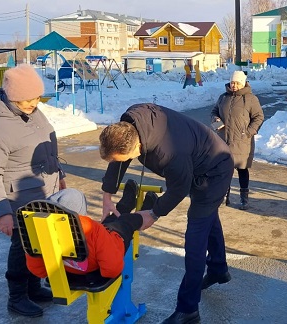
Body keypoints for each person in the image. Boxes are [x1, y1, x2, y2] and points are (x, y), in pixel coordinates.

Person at [99, 103, 234, 324]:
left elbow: (179, 188)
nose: (122, 162)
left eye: (125, 158)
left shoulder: (169, 153)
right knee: (208, 217)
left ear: (136, 148)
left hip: (215, 168)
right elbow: (118, 158)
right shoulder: (131, 123)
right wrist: (107, 196)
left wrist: (153, 213)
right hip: (198, 157)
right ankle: (218, 268)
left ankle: (188, 309)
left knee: (195, 238)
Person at [0, 64, 65, 318]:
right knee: (22, 247)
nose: (32, 103)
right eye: (26, 99)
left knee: (38, 247)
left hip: (42, 193)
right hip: (18, 201)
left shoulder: (36, 113)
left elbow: (50, 148)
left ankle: (34, 288)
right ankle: (17, 297)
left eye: (36, 97)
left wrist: (60, 176)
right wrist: (1, 212)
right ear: (11, 96)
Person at [25, 182, 158, 279]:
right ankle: (144, 212)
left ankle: (125, 205)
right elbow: (112, 269)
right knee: (126, 223)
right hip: (109, 244)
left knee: (109, 222)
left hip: (73, 268)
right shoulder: (91, 228)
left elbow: (38, 271)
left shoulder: (41, 233)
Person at [211, 70, 265, 210]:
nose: (233, 85)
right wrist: (216, 121)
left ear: (242, 83)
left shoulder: (251, 99)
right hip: (224, 141)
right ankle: (223, 196)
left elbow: (258, 117)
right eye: (232, 82)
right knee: (224, 171)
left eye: (236, 83)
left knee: (242, 170)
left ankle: (244, 199)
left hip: (242, 141)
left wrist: (248, 132)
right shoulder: (223, 97)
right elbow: (214, 112)